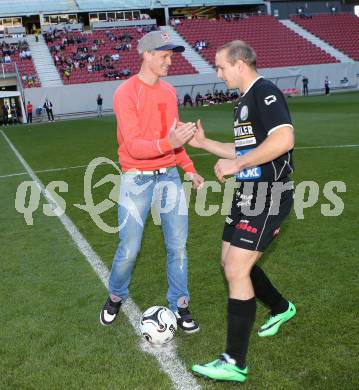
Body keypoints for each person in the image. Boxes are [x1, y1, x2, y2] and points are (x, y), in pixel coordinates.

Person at [190, 40, 296, 383]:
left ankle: (234, 361)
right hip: (247, 193)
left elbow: (283, 140)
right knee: (229, 263)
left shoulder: (265, 93)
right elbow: (242, 149)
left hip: (269, 194)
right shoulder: (242, 103)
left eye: (221, 67)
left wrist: (238, 164)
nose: (218, 74)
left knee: (237, 268)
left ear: (239, 64)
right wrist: (205, 144)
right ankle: (281, 308)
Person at [100, 31, 204, 333]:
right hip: (136, 178)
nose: (170, 61)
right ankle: (116, 295)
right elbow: (133, 145)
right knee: (129, 248)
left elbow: (175, 138)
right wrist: (168, 142)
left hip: (169, 175)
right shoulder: (126, 93)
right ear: (146, 54)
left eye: (171, 55)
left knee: (179, 247)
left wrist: (188, 168)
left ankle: (180, 304)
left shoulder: (169, 92)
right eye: (165, 55)